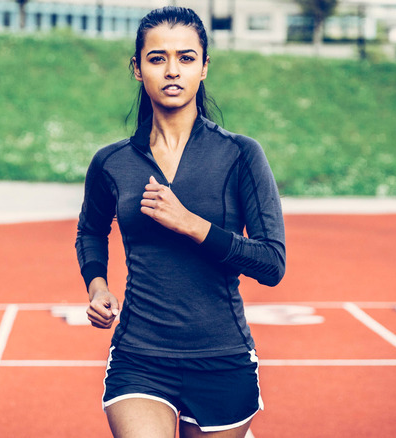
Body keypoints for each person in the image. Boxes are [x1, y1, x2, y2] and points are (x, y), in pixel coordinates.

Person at [75, 6, 286, 438]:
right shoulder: (112, 162)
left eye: (186, 58)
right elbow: (91, 231)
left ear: (204, 67)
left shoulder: (241, 155)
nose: (172, 70)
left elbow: (272, 264)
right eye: (157, 58)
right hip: (140, 355)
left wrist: (192, 224)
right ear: (137, 68)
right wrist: (97, 285)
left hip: (223, 356)